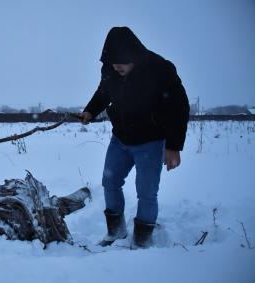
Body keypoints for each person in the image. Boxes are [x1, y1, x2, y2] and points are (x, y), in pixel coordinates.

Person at [80, 27, 189, 248]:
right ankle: (115, 233)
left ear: (135, 56)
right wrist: (90, 110)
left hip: (150, 141)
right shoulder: (110, 69)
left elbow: (179, 107)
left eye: (122, 61)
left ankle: (141, 242)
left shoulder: (160, 69)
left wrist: (173, 146)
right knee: (110, 182)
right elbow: (103, 92)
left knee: (146, 192)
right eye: (113, 61)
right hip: (120, 139)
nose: (117, 66)